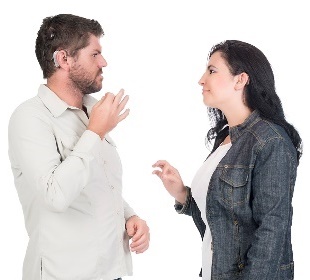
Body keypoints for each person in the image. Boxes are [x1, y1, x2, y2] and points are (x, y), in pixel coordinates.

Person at [8, 14, 150, 280]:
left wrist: (129, 216)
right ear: (63, 59)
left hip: (110, 272)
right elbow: (56, 195)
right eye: (95, 54)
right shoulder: (29, 118)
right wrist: (95, 132)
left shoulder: (94, 109)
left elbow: (93, 184)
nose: (103, 62)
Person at [152, 40, 302, 280]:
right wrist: (182, 194)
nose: (202, 80)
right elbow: (222, 221)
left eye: (212, 71)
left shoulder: (270, 141)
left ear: (240, 80)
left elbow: (272, 231)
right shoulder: (226, 139)